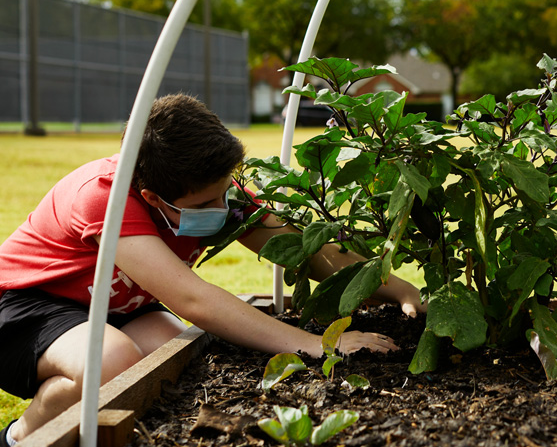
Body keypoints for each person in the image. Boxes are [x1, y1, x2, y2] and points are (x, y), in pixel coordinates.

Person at [0, 94, 424, 447]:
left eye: (226, 193)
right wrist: (315, 344)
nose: (223, 210)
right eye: (204, 205)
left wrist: (397, 288)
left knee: (177, 354)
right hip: (27, 307)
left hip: (114, 308)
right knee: (111, 362)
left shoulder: (211, 189)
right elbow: (193, 299)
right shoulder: (102, 198)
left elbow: (301, 249)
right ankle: (23, 437)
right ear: (151, 197)